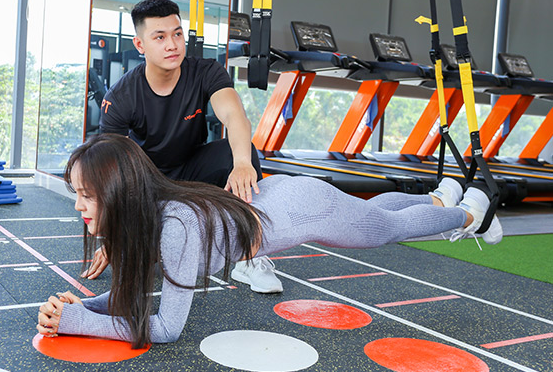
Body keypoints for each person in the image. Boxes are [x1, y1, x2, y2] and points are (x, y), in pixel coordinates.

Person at [36, 134, 503, 348]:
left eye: (87, 194)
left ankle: (471, 214)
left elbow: (165, 329)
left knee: (384, 229)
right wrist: (83, 308)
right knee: (372, 215)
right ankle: (438, 199)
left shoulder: (175, 227)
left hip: (298, 209)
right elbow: (131, 297)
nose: (78, 205)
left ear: (120, 192)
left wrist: (79, 322)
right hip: (276, 198)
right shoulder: (145, 220)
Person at [88, 0, 281, 293]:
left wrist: (242, 163)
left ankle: (248, 256)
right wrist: (116, 237)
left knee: (240, 154)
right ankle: (147, 239)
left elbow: (234, 115)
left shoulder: (206, 71)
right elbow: (109, 170)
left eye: (177, 34)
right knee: (141, 252)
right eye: (160, 37)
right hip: (149, 184)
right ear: (140, 45)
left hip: (193, 170)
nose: (172, 45)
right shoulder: (122, 96)